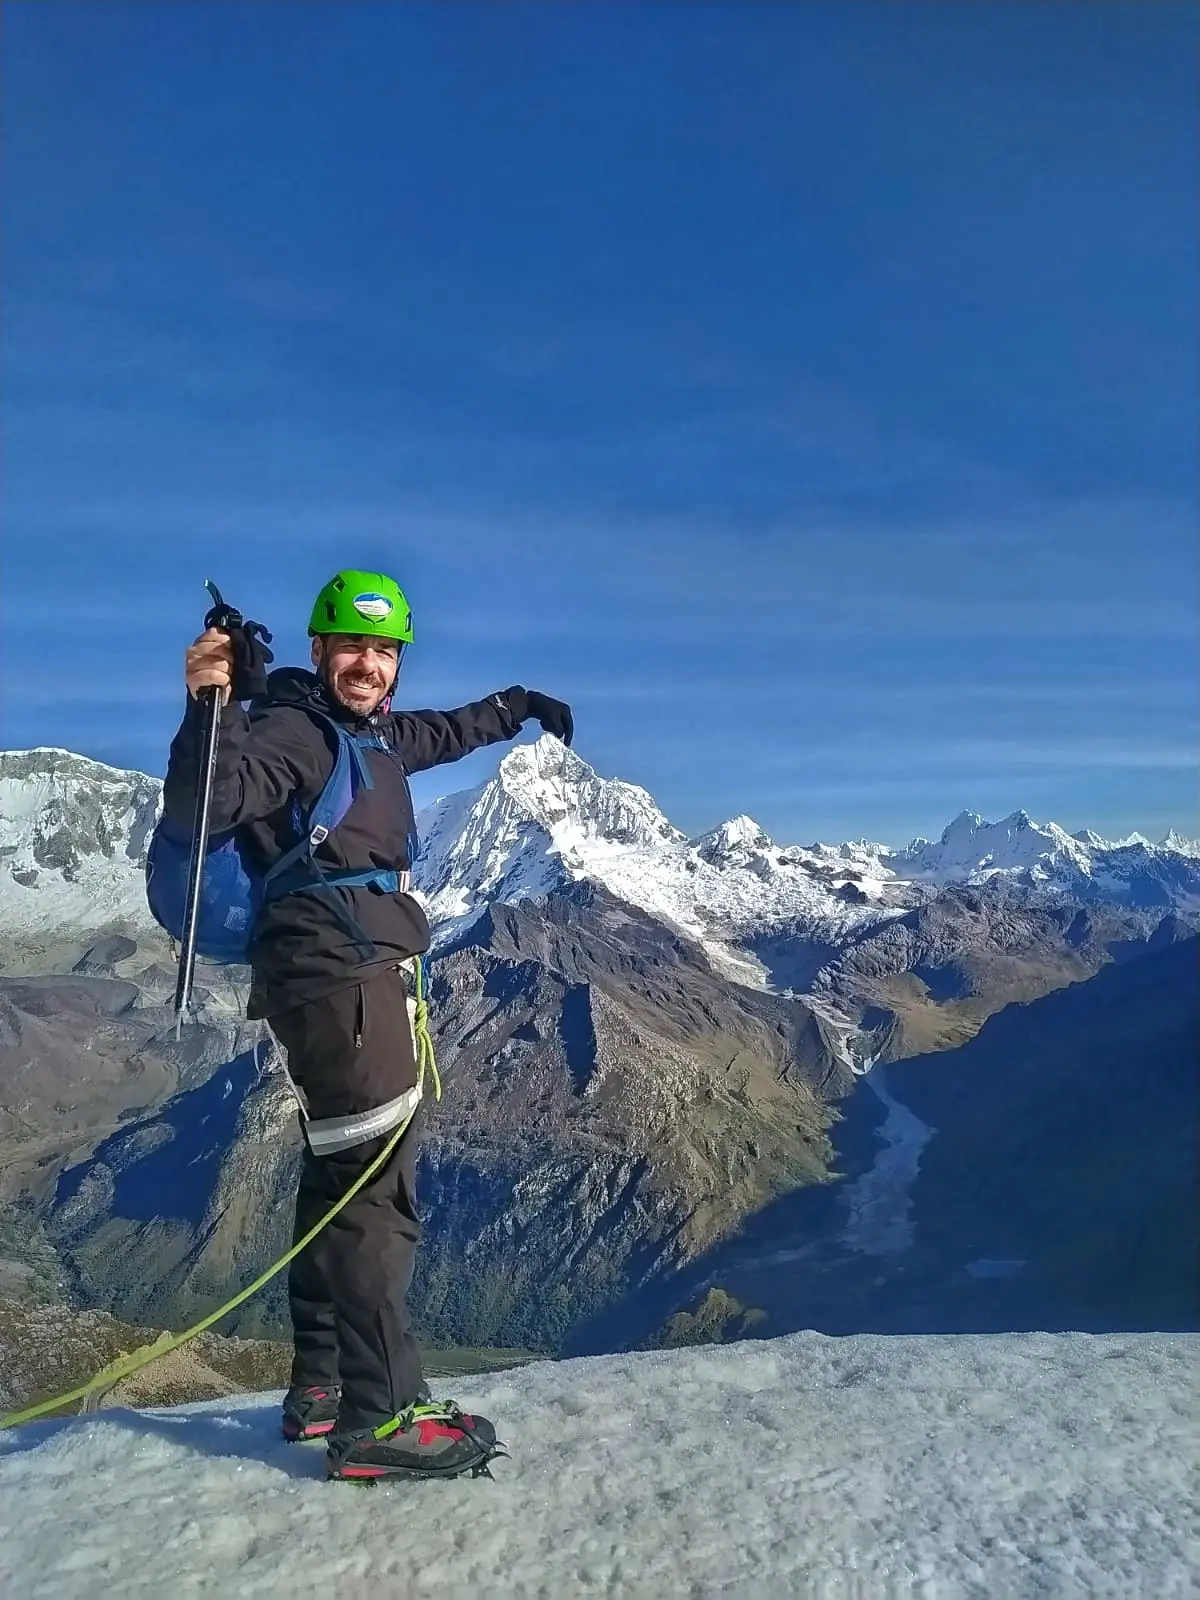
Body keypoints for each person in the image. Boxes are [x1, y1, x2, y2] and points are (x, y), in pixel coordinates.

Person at [161, 568, 572, 1481]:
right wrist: (211, 704)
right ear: (318, 649)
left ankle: (320, 1389)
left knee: (338, 1174)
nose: (370, 664)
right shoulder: (295, 733)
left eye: (386, 651)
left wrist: (518, 706)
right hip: (338, 980)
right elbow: (208, 805)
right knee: (375, 1197)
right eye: (354, 645)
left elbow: (444, 733)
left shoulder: (368, 734)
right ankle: (377, 1417)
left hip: (355, 975)